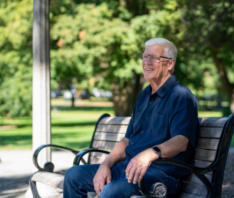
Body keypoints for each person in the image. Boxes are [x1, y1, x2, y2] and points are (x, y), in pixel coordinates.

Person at [63, 38, 199, 198]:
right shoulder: (145, 95)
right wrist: (105, 165)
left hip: (160, 176)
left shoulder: (181, 96)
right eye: (145, 56)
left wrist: (148, 154)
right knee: (73, 176)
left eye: (154, 58)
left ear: (170, 64)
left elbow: (181, 141)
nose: (147, 62)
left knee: (111, 191)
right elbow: (127, 141)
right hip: (128, 168)